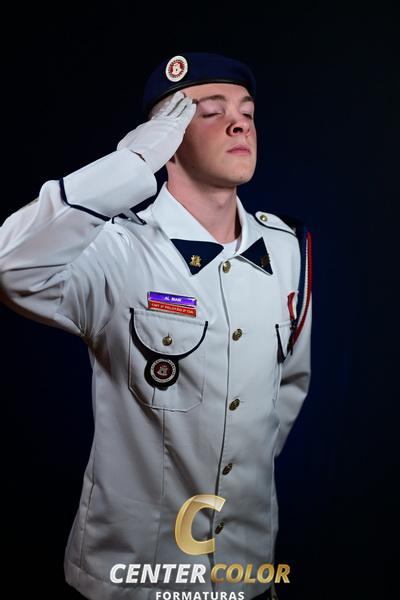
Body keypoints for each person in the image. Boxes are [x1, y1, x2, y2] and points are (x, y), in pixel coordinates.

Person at [0, 52, 312, 600]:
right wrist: (132, 162)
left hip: (245, 575)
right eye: (209, 112)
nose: (239, 124)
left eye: (246, 111)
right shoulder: (115, 249)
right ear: (164, 137)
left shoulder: (287, 249)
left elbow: (286, 388)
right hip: (134, 580)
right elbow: (11, 266)